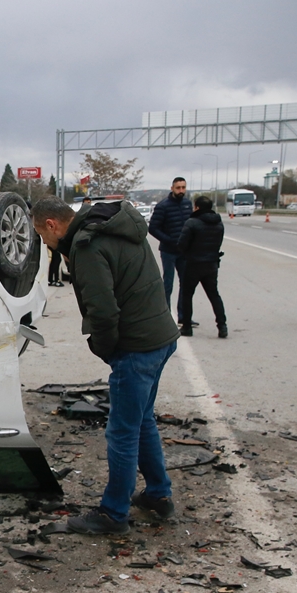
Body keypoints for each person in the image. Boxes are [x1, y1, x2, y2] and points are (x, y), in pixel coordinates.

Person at [32, 196, 180, 534]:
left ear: (52, 225)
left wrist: (106, 350)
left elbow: (103, 310)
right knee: (141, 421)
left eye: (43, 236)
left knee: (122, 432)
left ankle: (113, 514)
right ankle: (159, 496)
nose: (46, 243)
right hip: (160, 336)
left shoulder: (87, 245)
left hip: (137, 347)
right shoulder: (116, 225)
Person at [176, 196, 228, 338]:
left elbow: (182, 244)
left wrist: (187, 252)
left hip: (193, 263)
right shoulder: (218, 223)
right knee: (214, 295)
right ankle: (222, 326)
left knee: (187, 295)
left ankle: (186, 327)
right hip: (211, 264)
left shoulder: (192, 223)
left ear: (197, 207)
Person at [148, 177, 193, 310]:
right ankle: (165, 314)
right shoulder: (163, 206)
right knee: (168, 284)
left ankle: (183, 316)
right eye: (178, 188)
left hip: (184, 251)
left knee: (186, 284)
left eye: (183, 187)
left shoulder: (187, 204)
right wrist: (169, 240)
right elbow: (153, 228)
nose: (181, 190)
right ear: (172, 188)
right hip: (168, 251)